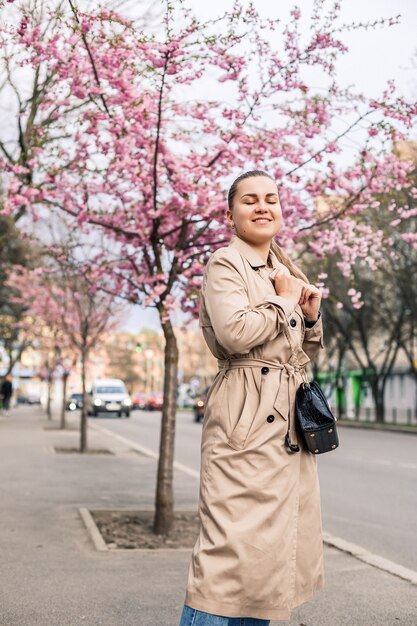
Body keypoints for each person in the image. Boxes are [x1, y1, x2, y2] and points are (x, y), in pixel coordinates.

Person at [179, 170, 324, 625]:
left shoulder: (284, 267)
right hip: (245, 418)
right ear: (230, 213)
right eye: (250, 200)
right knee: (229, 556)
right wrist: (283, 302)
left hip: (284, 424)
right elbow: (236, 333)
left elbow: (299, 353)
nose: (263, 207)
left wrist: (312, 317)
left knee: (267, 561)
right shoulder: (225, 263)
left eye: (271, 199)